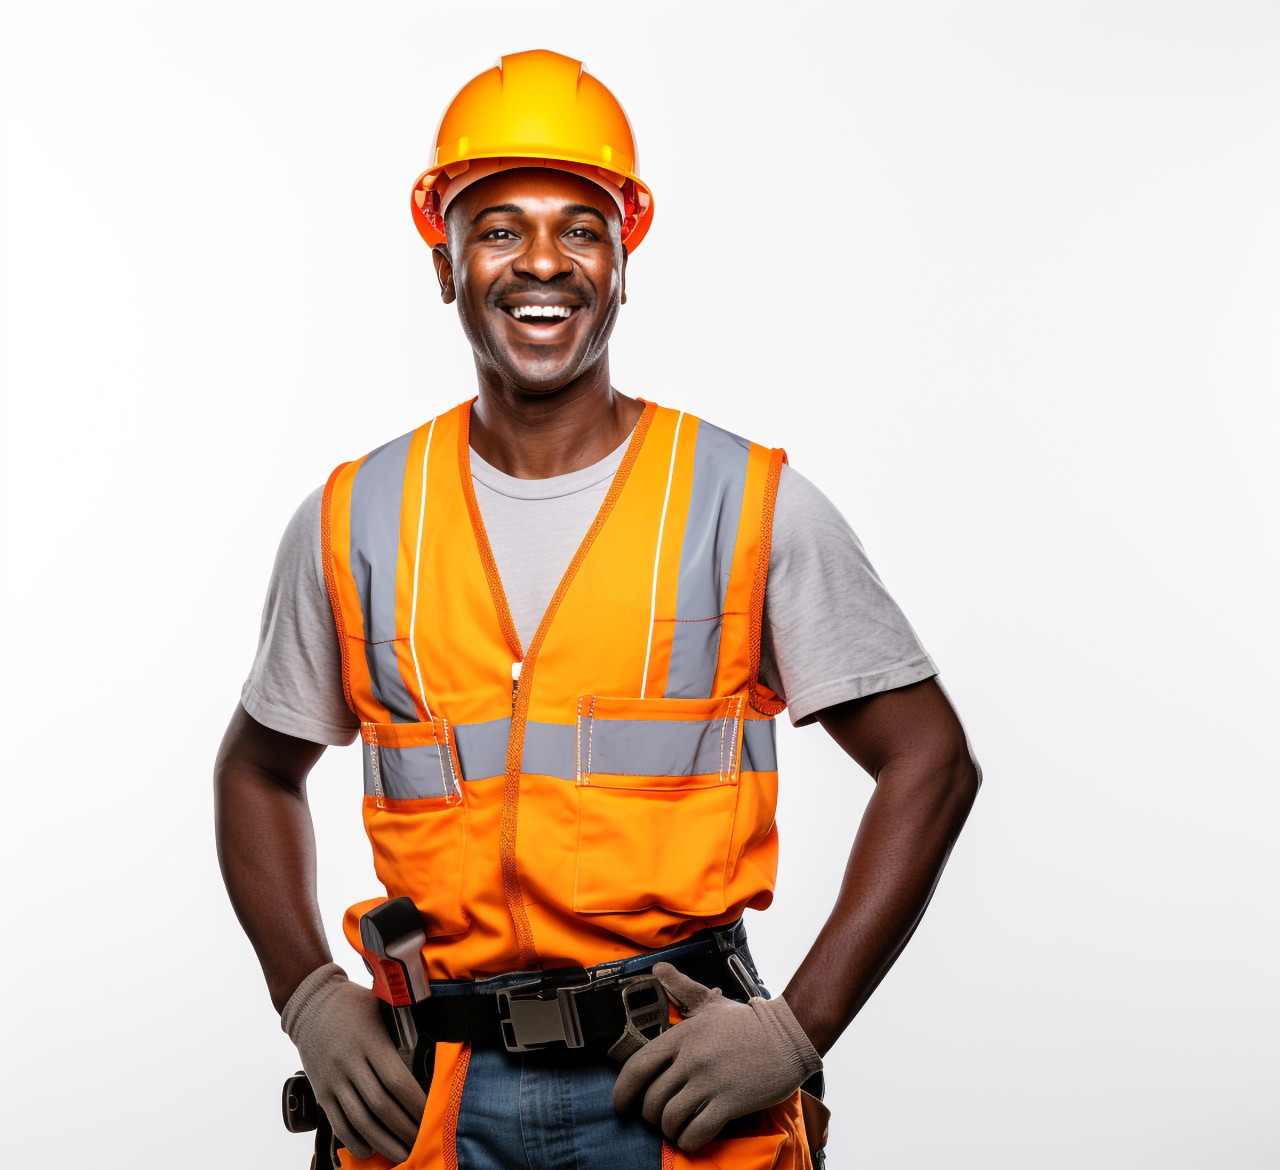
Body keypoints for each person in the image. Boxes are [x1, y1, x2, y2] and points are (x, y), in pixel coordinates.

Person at [215, 48, 981, 1170]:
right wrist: (308, 998)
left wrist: (794, 1028)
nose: (541, 263)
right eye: (495, 227)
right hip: (433, 1085)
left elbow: (932, 762)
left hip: (673, 1083)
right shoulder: (354, 517)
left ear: (623, 260)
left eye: (579, 227)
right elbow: (254, 770)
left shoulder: (741, 501)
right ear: (444, 263)